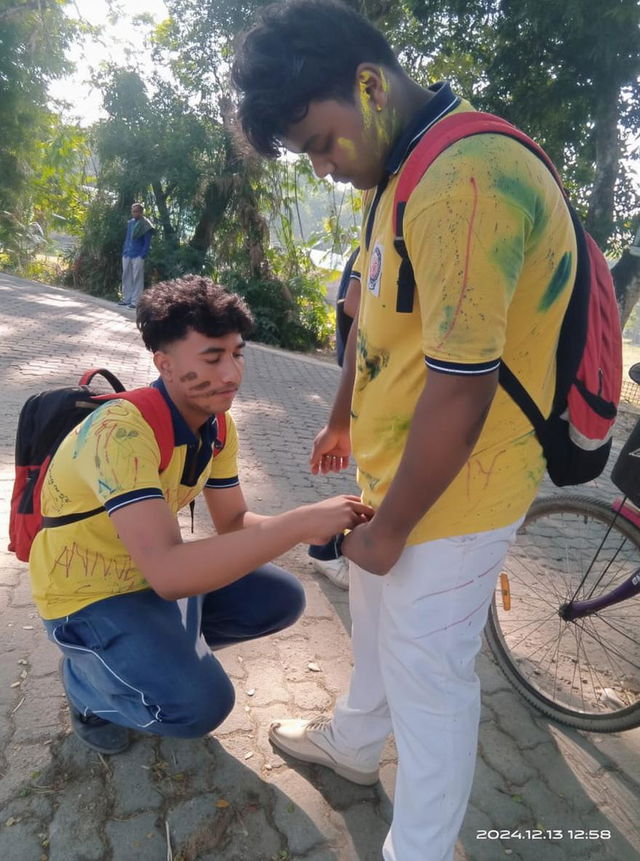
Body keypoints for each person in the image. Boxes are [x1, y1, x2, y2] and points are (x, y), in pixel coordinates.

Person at [232, 2, 577, 859]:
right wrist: (344, 411)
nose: (322, 165)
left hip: (458, 492)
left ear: (369, 84)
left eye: (319, 140)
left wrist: (389, 528)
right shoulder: (397, 171)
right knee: (382, 629)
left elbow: (462, 392)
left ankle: (417, 848)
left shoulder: (464, 178)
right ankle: (353, 746)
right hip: (398, 478)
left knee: (433, 682)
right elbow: (372, 309)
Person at [29, 274, 372, 756]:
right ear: (164, 365)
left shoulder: (216, 427)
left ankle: (154, 654)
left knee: (280, 598)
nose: (231, 373)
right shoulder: (120, 433)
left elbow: (234, 523)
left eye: (237, 353)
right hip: (87, 596)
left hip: (145, 573)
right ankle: (87, 688)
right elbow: (170, 574)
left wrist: (316, 523)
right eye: (212, 358)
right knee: (200, 706)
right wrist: (298, 524)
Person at [308, 246, 361, 589]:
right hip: (388, 386)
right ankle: (327, 547)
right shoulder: (391, 217)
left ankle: (328, 542)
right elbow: (360, 308)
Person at [119, 202, 154, 309]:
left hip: (138, 254)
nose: (134, 213)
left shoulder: (146, 224)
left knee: (137, 278)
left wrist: (143, 254)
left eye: (136, 211)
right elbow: (127, 238)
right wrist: (124, 251)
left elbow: (147, 242)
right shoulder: (130, 223)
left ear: (141, 212)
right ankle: (126, 299)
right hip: (127, 253)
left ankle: (135, 301)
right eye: (133, 211)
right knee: (126, 276)